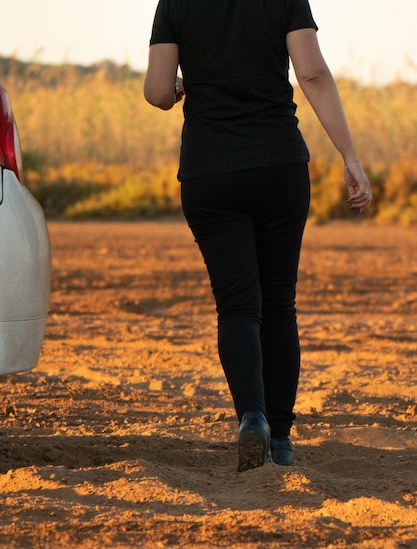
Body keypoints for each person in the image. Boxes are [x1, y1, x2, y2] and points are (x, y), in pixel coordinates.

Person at [144, 0, 372, 472]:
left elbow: (157, 90)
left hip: (210, 173)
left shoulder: (175, 3)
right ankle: (283, 438)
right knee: (279, 302)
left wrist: (183, 88)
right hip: (278, 165)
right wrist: (349, 156)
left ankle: (252, 418)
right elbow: (311, 73)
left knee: (237, 305)